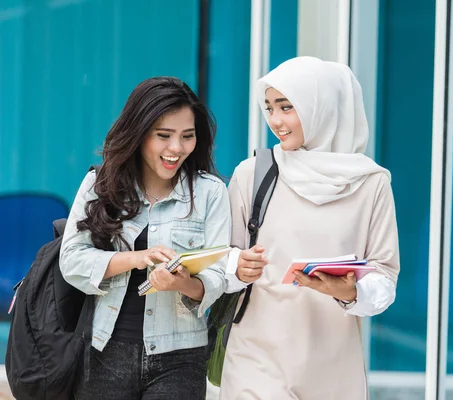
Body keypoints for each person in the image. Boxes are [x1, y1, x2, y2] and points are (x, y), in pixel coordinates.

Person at [220, 57, 400, 399]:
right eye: (270, 108)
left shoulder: (371, 183)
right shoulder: (254, 173)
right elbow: (221, 263)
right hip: (256, 358)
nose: (276, 121)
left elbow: (384, 277)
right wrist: (238, 267)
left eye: (287, 107)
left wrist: (348, 291)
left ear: (323, 107)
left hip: (333, 366)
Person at [59, 77, 231, 400]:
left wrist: (182, 283)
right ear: (139, 134)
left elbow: (219, 276)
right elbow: (71, 260)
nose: (176, 148)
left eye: (187, 136)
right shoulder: (100, 185)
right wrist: (136, 258)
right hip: (104, 353)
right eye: (163, 136)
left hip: (180, 358)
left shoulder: (211, 193)